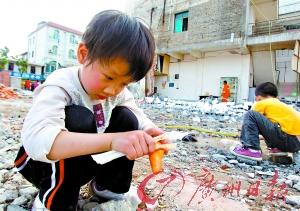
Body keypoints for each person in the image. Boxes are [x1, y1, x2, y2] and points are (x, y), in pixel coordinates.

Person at [14, 10, 166, 211]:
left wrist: (150, 131)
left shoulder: (116, 91)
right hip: (41, 164)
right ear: (84, 55)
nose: (113, 90)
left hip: (84, 162)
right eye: (109, 78)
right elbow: (38, 142)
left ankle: (109, 187)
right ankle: (53, 201)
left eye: (124, 83)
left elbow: (136, 113)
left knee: (129, 119)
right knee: (78, 118)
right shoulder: (61, 85)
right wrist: (113, 141)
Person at [231, 82, 300, 162]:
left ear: (258, 98)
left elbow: (251, 122)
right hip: (295, 144)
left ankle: (252, 150)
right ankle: (280, 151)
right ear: (276, 96)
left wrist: (246, 137)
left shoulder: (262, 103)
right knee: (274, 124)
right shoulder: (281, 106)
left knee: (250, 115)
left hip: (285, 138)